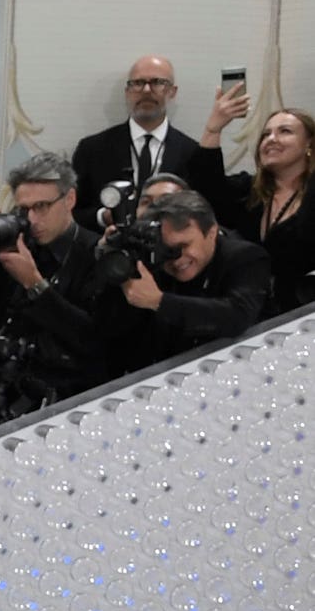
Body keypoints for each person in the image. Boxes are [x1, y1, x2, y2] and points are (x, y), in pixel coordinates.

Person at [0, 149, 108, 427]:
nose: (32, 220)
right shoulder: (18, 249)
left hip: (63, 410)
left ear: (69, 199)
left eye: (42, 207)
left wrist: (34, 284)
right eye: (24, 209)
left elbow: (94, 340)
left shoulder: (95, 254)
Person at [98, 189, 274, 374]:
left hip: (245, 370)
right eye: (166, 249)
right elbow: (111, 330)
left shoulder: (246, 258)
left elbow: (237, 315)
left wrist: (159, 302)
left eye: (183, 246)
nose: (176, 259)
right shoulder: (152, 260)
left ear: (212, 232)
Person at [74, 56, 226, 224]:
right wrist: (103, 217)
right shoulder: (92, 149)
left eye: (157, 82)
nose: (146, 90)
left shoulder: (192, 153)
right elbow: (71, 212)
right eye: (138, 83)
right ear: (127, 91)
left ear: (173, 92)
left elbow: (209, 213)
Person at [215, 105, 315, 313]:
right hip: (248, 310)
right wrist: (213, 130)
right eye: (266, 134)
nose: (272, 139)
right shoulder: (248, 191)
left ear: (309, 144)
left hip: (303, 314)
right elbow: (207, 187)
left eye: (284, 131)